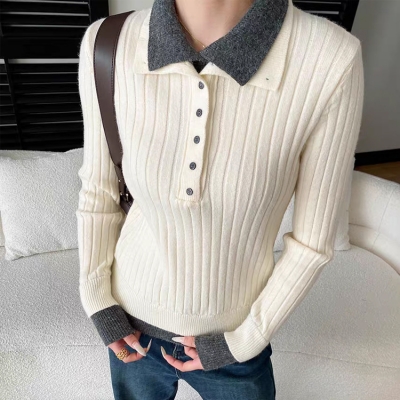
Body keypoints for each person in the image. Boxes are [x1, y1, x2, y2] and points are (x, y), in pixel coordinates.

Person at [76, 0, 364, 398]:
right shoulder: (108, 42)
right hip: (128, 327)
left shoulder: (331, 59)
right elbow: (99, 190)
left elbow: (313, 243)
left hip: (234, 343)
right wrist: (96, 299)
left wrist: (245, 340)